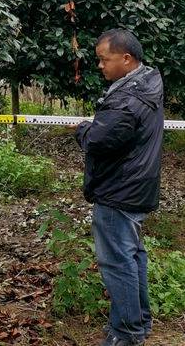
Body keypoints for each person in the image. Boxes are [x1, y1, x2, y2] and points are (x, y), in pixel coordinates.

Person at [70, 28, 164, 346]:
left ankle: (125, 333)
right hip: (137, 186)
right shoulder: (148, 82)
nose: (100, 66)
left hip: (118, 190)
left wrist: (83, 129)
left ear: (126, 59)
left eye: (103, 60)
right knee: (133, 255)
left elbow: (99, 139)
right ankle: (139, 322)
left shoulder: (127, 99)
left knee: (117, 260)